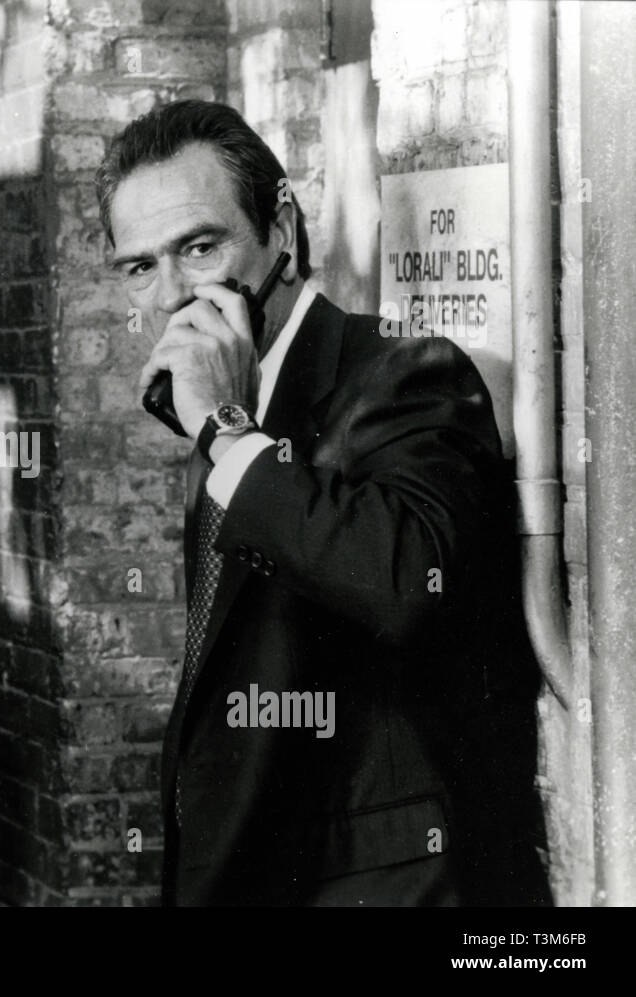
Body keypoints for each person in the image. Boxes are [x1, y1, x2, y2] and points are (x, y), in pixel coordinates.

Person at [95, 101, 550, 906]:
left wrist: (226, 433)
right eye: (140, 267)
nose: (169, 297)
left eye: (200, 248)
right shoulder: (230, 404)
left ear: (282, 228)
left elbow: (406, 578)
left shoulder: (400, 374)